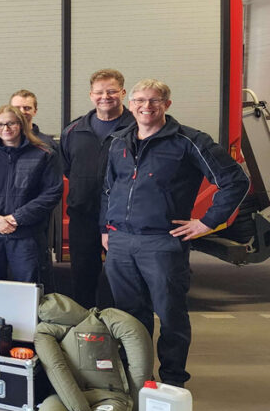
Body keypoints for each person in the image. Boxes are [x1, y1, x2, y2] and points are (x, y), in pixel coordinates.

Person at [101, 79, 248, 387]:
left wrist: (207, 222)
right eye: (140, 100)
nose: (146, 106)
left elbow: (235, 180)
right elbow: (108, 188)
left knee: (171, 315)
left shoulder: (189, 141)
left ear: (167, 105)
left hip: (162, 243)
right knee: (129, 316)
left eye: (154, 101)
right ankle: (136, 376)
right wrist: (106, 227)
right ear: (130, 105)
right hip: (121, 242)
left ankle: (172, 381)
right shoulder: (119, 141)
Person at [61, 69, 135, 308]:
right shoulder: (74, 130)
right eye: (99, 92)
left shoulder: (137, 128)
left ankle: (119, 333)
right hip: (82, 217)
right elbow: (67, 168)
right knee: (82, 276)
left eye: (112, 91)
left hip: (123, 220)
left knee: (122, 280)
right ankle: (85, 334)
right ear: (91, 95)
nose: (106, 96)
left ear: (123, 93)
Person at [0, 105, 63, 283]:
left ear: (22, 124)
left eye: (11, 123)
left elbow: (52, 193)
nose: (5, 129)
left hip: (26, 236)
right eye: (0, 124)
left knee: (28, 292)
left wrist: (14, 218)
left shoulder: (44, 154)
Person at [10, 89, 61, 291]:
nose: (22, 112)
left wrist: (20, 217)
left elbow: (52, 189)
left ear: (35, 111)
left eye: (27, 107)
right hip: (2, 226)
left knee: (35, 280)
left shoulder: (46, 145)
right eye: (17, 108)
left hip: (34, 225)